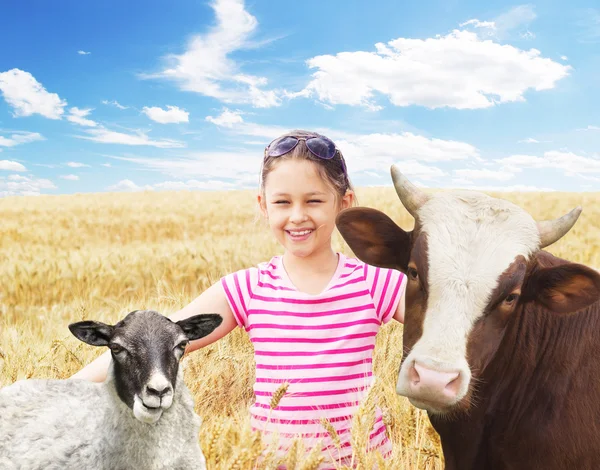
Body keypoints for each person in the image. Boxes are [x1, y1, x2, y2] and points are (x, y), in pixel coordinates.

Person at [72, 130, 407, 468]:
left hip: (365, 462)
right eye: (282, 202)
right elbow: (154, 340)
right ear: (263, 205)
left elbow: (452, 317)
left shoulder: (376, 283)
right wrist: (63, 390)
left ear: (345, 205)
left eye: (314, 200)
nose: (297, 216)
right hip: (273, 463)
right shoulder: (248, 288)